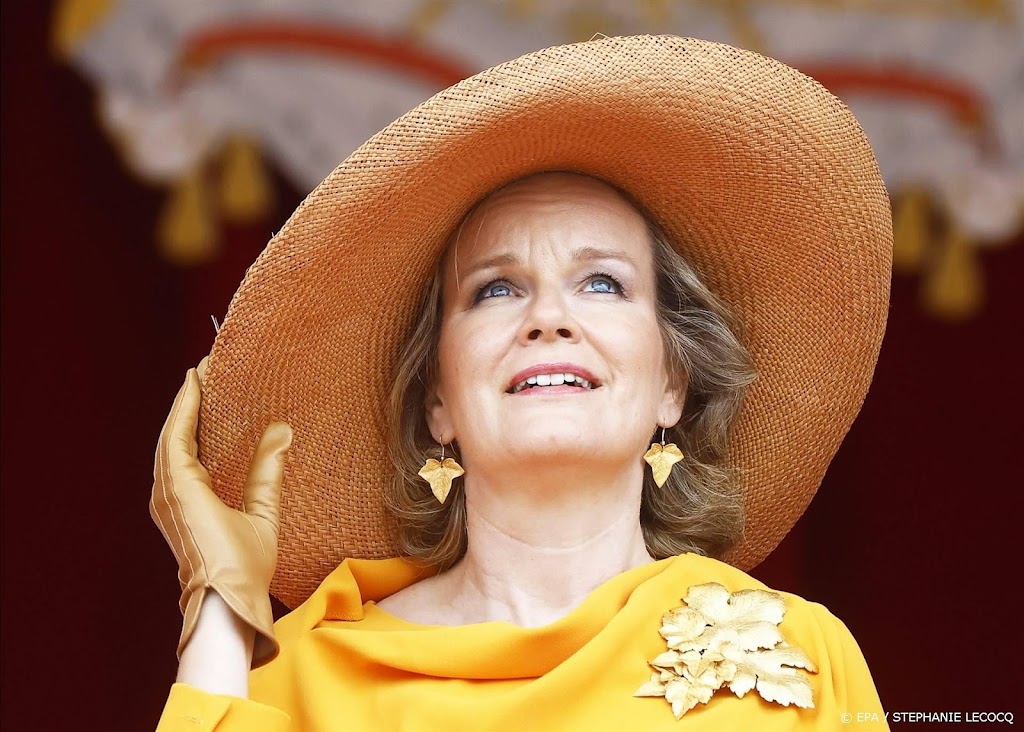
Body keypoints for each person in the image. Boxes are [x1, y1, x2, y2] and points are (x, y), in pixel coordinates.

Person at [150, 35, 892, 730]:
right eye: (496, 290)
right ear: (438, 400)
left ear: (674, 381)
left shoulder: (802, 657)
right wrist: (219, 607)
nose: (548, 318)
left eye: (602, 283)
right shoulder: (302, 679)